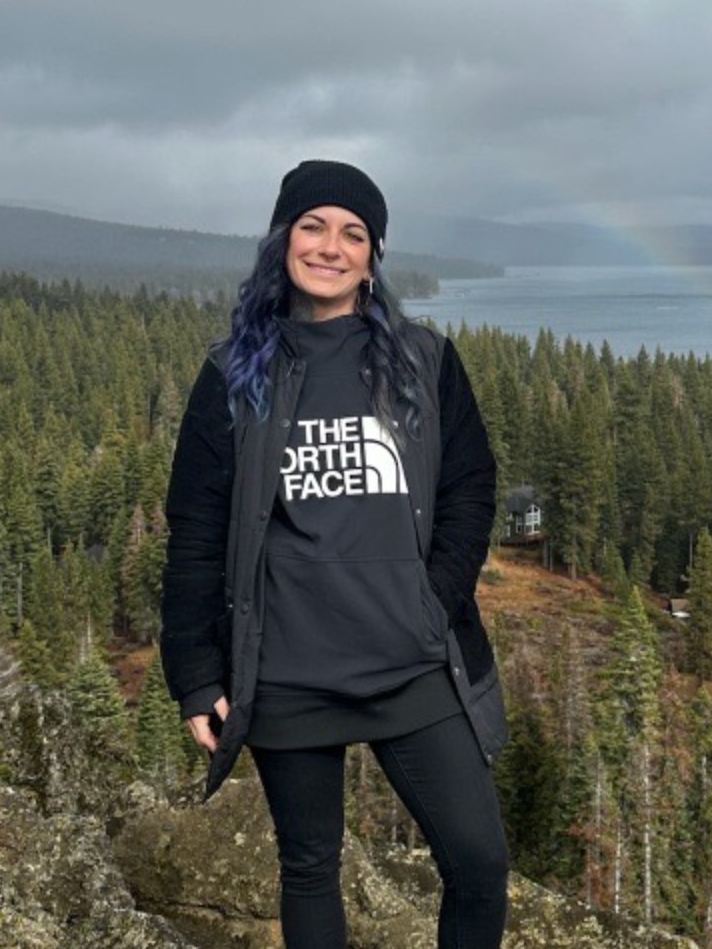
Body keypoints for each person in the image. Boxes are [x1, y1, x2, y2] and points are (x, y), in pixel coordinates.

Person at [158, 160, 510, 949]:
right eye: (313, 225)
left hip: (411, 660)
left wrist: (434, 602)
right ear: (282, 240)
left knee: (480, 863)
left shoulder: (425, 359)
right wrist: (194, 673)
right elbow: (196, 530)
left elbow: (470, 490)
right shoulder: (231, 375)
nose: (331, 246)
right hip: (285, 669)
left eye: (354, 233)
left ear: (373, 257)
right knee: (310, 868)